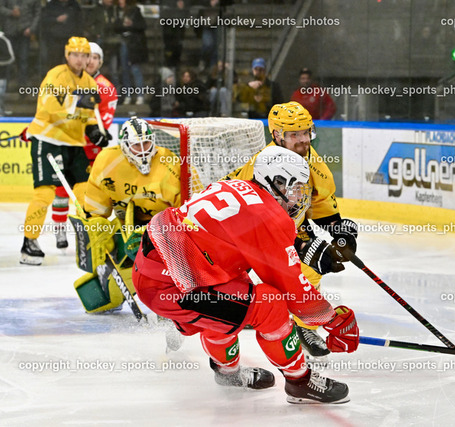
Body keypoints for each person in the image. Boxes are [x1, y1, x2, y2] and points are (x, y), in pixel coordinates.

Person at [132, 145, 358, 403]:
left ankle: (227, 373)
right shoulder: (267, 215)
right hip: (171, 284)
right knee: (269, 305)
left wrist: (299, 246)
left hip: (160, 266)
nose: (299, 197)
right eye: (295, 188)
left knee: (236, 297)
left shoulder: (237, 186)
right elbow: (292, 289)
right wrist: (333, 320)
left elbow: (245, 236)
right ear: (277, 182)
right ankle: (300, 382)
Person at [224, 101, 359, 359]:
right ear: (277, 135)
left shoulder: (314, 163)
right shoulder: (262, 165)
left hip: (286, 227)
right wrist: (299, 246)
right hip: (241, 233)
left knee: (312, 267)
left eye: (306, 132)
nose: (303, 140)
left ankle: (304, 326)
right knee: (229, 288)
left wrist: (340, 232)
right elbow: (249, 218)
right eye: (295, 134)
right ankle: (211, 334)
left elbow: (321, 205)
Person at [71, 116, 181, 313]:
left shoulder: (170, 165)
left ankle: (173, 299)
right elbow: (96, 210)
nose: (143, 151)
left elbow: (185, 217)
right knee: (111, 291)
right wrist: (96, 227)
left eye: (146, 143)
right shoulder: (107, 162)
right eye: (136, 145)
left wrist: (155, 235)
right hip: (128, 228)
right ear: (124, 145)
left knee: (159, 277)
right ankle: (113, 286)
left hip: (164, 232)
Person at [20, 37, 106, 266]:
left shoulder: (89, 82)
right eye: (75, 54)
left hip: (74, 144)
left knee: (85, 191)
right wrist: (78, 100)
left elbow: (88, 115)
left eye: (84, 55)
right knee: (45, 193)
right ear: (67, 55)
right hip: (47, 140)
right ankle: (29, 241)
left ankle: (92, 238)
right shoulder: (56, 75)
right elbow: (50, 107)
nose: (79, 59)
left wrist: (95, 132)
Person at [52, 42, 119, 249]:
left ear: (100, 62)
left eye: (95, 58)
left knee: (88, 194)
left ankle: (87, 232)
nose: (90, 61)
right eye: (87, 57)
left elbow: (103, 121)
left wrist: (96, 133)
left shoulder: (105, 87)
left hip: (90, 151)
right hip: (67, 145)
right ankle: (59, 229)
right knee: (61, 190)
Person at [0, 0, 41, 87]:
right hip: (9, 31)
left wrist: (31, 29)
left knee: (23, 60)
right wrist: (11, 12)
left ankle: (22, 86)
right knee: (7, 60)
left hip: (25, 32)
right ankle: (6, 85)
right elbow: (1, 7)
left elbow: (38, 13)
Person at [115, 0, 148, 105]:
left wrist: (131, 24)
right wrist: (123, 25)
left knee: (135, 69)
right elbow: (116, 27)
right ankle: (128, 95)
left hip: (134, 45)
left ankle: (140, 95)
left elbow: (142, 26)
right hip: (123, 43)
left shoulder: (135, 11)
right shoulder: (117, 11)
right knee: (125, 70)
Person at [40, 0, 83, 71]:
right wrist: (56, 20)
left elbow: (79, 21)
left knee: (71, 62)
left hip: (71, 40)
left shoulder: (74, 5)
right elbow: (44, 20)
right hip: (55, 39)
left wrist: (78, 36)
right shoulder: (51, 5)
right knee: (55, 62)